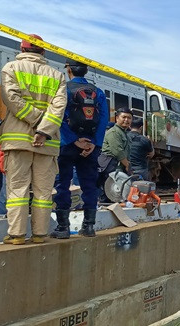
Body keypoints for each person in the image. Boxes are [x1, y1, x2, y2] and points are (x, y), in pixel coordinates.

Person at [0, 34, 67, 244]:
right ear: (43, 52)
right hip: (47, 142)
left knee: (17, 189)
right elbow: (59, 107)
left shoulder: (10, 68)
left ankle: (17, 234)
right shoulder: (57, 76)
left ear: (22, 49)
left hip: (18, 140)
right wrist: (44, 129)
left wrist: (34, 120)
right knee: (43, 191)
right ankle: (40, 234)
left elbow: (11, 99)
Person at [52, 60, 108, 238]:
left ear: (68, 69)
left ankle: (63, 228)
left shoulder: (63, 89)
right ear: (86, 71)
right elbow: (104, 119)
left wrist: (73, 140)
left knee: (62, 184)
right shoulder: (98, 92)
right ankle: (89, 226)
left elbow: (58, 116)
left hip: (67, 145)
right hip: (91, 146)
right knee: (90, 185)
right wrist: (93, 143)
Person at [98, 107, 133, 203]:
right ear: (117, 118)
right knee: (108, 191)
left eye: (129, 118)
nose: (126, 120)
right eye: (124, 117)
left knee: (115, 192)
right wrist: (127, 165)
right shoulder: (114, 132)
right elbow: (117, 151)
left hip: (116, 164)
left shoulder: (124, 133)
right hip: (109, 164)